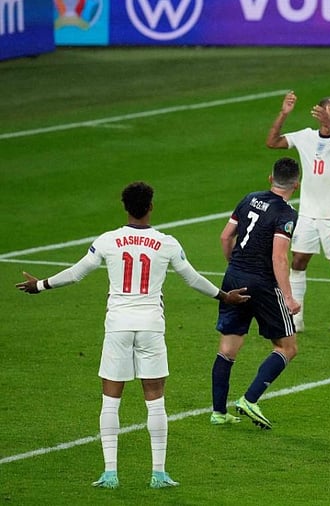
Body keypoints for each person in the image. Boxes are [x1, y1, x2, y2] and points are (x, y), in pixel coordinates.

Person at [15, 182, 249, 489]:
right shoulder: (166, 243)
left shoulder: (109, 240)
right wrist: (224, 296)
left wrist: (41, 285)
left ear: (125, 207)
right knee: (155, 399)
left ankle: (110, 472)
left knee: (111, 400)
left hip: (118, 326)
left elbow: (77, 272)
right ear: (151, 206)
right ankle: (159, 473)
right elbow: (192, 278)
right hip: (151, 325)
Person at [210, 157, 301, 430]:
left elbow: (226, 236)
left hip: (234, 278)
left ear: (270, 178)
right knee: (287, 347)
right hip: (262, 284)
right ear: (296, 184)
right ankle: (250, 399)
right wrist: (288, 297)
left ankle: (218, 412)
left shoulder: (249, 199)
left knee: (227, 348)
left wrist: (234, 266)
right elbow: (279, 257)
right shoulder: (285, 214)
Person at [266, 91, 330, 334]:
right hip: (307, 214)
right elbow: (272, 142)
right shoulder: (305, 136)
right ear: (320, 110)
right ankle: (297, 318)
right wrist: (283, 114)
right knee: (298, 261)